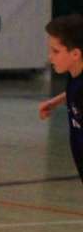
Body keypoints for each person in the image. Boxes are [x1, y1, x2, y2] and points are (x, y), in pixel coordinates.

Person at [38, 14, 83, 183]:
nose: (50, 57)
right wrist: (56, 101)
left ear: (75, 54)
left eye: (56, 51)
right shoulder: (75, 73)